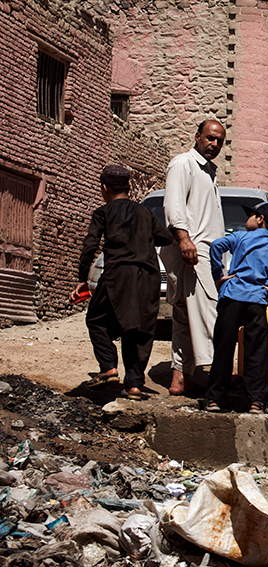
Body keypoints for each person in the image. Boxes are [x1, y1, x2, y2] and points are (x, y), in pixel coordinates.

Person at [74, 165, 171, 398]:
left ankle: (108, 367)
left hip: (118, 275)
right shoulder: (145, 213)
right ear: (129, 188)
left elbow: (89, 247)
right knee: (139, 329)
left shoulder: (103, 213)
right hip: (149, 276)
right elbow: (165, 237)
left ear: (104, 188)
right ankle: (135, 385)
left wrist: (81, 280)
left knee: (96, 320)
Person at [205, 201, 268, 413]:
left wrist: (219, 277)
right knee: (257, 351)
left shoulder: (240, 237)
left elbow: (217, 246)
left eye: (251, 215)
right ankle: (256, 401)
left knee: (224, 348)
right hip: (256, 300)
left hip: (232, 296)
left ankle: (214, 399)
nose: (247, 218)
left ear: (260, 219)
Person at [162, 118, 227, 395]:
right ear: (198, 136)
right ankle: (217, 376)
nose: (214, 144)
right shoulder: (183, 164)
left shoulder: (209, 173)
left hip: (205, 253)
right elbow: (173, 205)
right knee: (210, 315)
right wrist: (185, 240)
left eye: (219, 141)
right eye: (210, 138)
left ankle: (179, 378)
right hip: (195, 251)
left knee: (185, 318)